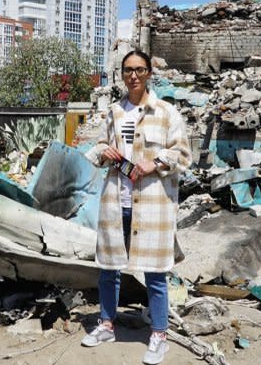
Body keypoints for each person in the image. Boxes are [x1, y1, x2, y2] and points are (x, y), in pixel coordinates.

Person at [81, 50, 191, 364]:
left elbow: (182, 155)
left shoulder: (167, 112)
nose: (133, 76)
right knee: (108, 268)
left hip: (153, 203)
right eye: (128, 70)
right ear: (122, 75)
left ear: (148, 74)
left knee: (155, 271)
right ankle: (106, 324)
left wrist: (153, 164)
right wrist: (106, 153)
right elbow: (98, 148)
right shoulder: (115, 111)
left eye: (139, 70)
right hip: (118, 200)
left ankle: (159, 334)